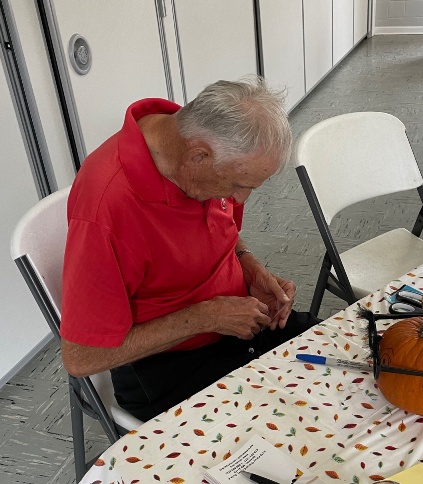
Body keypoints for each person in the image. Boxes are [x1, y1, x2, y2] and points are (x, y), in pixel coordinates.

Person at [59, 77, 319, 421]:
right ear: (198, 155)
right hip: (171, 366)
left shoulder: (196, 144)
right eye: (238, 185)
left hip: (241, 324)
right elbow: (80, 358)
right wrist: (207, 317)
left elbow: (222, 232)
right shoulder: (105, 208)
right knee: (286, 434)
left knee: (348, 365)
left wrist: (248, 265)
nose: (240, 198)